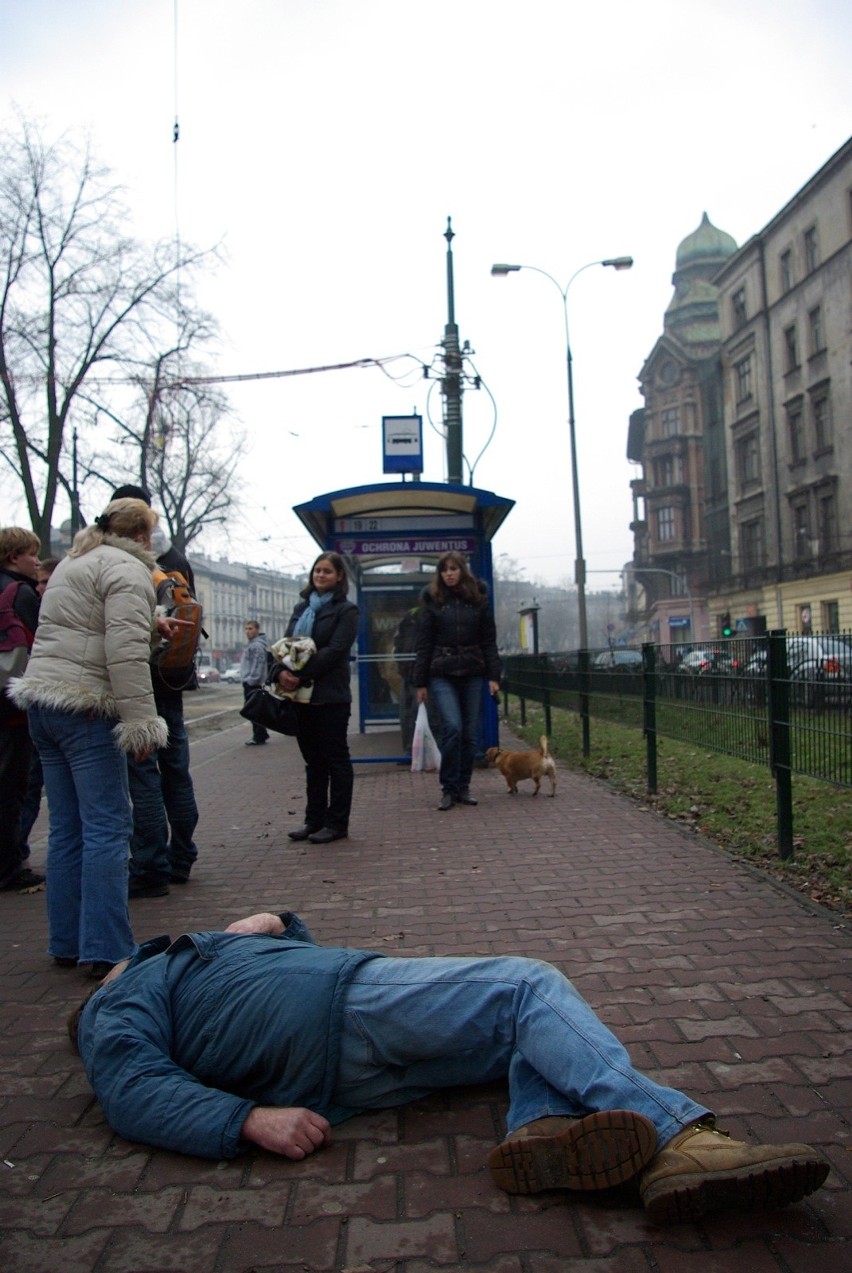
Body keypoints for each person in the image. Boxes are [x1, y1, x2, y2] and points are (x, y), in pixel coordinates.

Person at [68, 907, 829, 1225]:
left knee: (522, 1038)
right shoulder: (115, 1003)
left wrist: (274, 921)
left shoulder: (183, 955)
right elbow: (133, 1090)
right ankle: (680, 1135)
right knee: (527, 984)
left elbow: (285, 952)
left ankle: (543, 1129)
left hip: (340, 1063)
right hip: (344, 1008)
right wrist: (245, 1120)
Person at [8, 498, 172, 977]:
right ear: (142, 536)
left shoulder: (74, 563)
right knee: (107, 827)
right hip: (86, 708)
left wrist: (150, 628)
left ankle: (67, 940)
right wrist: (141, 724)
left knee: (68, 829)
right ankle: (105, 948)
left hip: (44, 703)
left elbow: (87, 630)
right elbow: (122, 652)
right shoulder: (128, 570)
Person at [110, 484, 200, 898]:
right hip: (173, 679)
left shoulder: (126, 560)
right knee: (177, 772)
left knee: (144, 774)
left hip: (139, 679)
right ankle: (182, 856)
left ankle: (150, 866)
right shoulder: (175, 557)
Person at [273, 552, 358, 845]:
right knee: (313, 761)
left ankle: (337, 823)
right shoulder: (301, 608)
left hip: (330, 695)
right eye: (317, 571)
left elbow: (336, 650)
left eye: (326, 572)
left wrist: (300, 672)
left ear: (339, 577)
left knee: (336, 759)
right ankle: (314, 820)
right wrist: (279, 672)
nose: (320, 576)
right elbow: (284, 645)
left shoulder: (346, 611)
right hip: (300, 697)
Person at [413, 552, 501, 811]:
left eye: (453, 569)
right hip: (442, 672)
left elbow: (489, 641)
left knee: (469, 734)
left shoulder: (478, 600)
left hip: (473, 672)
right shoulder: (433, 601)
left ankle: (463, 786)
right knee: (452, 727)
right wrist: (421, 682)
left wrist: (494, 676)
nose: (449, 573)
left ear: (462, 571)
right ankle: (448, 788)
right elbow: (424, 643)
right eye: (444, 570)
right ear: (439, 574)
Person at [0, 527, 45, 890]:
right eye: (31, 554)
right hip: (13, 704)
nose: (36, 561)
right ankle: (9, 866)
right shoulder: (22, 593)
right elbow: (40, 646)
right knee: (13, 785)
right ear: (14, 556)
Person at [18, 557, 61, 863]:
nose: (38, 587)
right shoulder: (25, 599)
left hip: (48, 702)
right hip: (41, 703)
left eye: (44, 581)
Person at [240, 619, 270, 746]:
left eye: (251, 629)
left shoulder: (257, 646)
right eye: (246, 629)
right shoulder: (252, 644)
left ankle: (259, 735)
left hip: (253, 683)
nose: (248, 631)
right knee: (255, 710)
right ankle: (260, 733)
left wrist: (251, 680)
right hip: (251, 682)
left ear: (257, 630)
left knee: (253, 710)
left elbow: (258, 664)